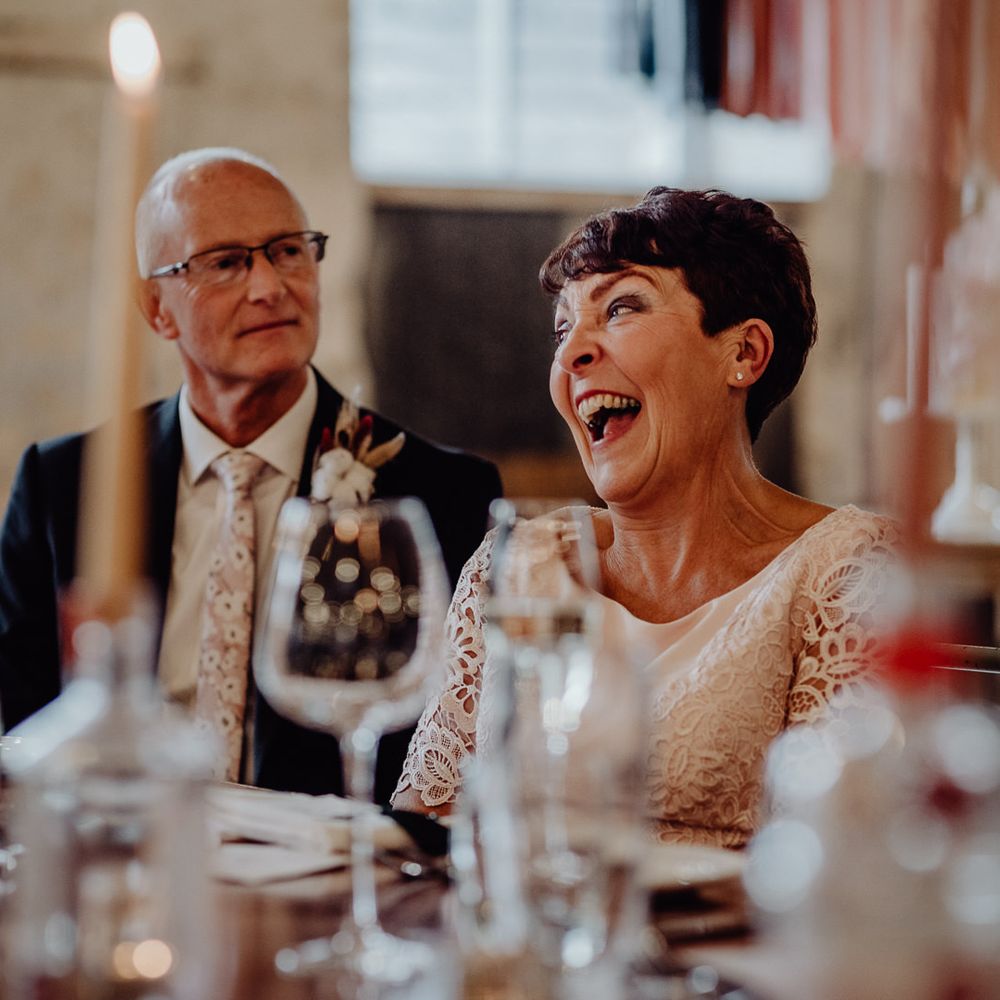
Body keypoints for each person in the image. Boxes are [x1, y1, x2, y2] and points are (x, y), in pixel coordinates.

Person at [393, 187, 896, 847]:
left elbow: (833, 866)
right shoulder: (516, 562)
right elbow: (425, 822)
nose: (572, 354)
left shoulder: (842, 571)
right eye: (565, 329)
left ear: (743, 354)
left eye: (622, 307)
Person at [0, 148, 501, 802]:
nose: (269, 287)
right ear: (156, 307)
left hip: (332, 873)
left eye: (288, 251)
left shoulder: (438, 497)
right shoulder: (64, 486)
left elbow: (452, 750)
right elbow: (31, 728)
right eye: (228, 262)